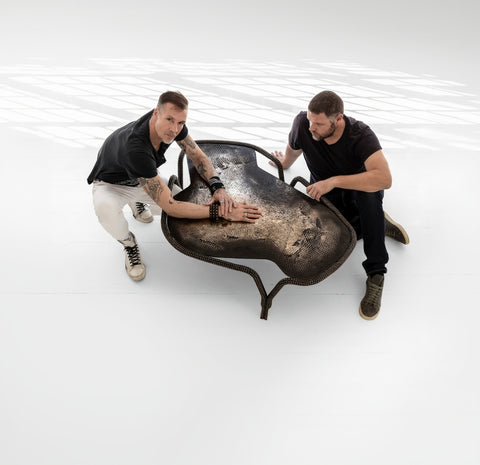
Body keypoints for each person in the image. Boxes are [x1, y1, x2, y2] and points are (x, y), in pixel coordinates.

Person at [88, 91, 261, 281]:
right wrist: (221, 212)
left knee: (191, 209)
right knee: (105, 208)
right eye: (170, 120)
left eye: (181, 123)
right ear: (156, 113)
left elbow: (198, 157)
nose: (175, 129)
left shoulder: (173, 124)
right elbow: (171, 207)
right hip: (111, 184)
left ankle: (137, 202)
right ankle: (128, 243)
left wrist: (218, 187)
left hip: (142, 178)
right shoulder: (136, 148)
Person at [271, 90, 409, 320]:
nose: (311, 128)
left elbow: (385, 179)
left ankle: (376, 273)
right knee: (337, 239)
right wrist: (284, 163)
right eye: (310, 121)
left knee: (369, 197)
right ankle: (376, 224)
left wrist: (333, 181)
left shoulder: (361, 135)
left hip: (358, 193)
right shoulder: (303, 124)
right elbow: (294, 148)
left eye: (318, 124)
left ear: (338, 119)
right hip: (327, 196)